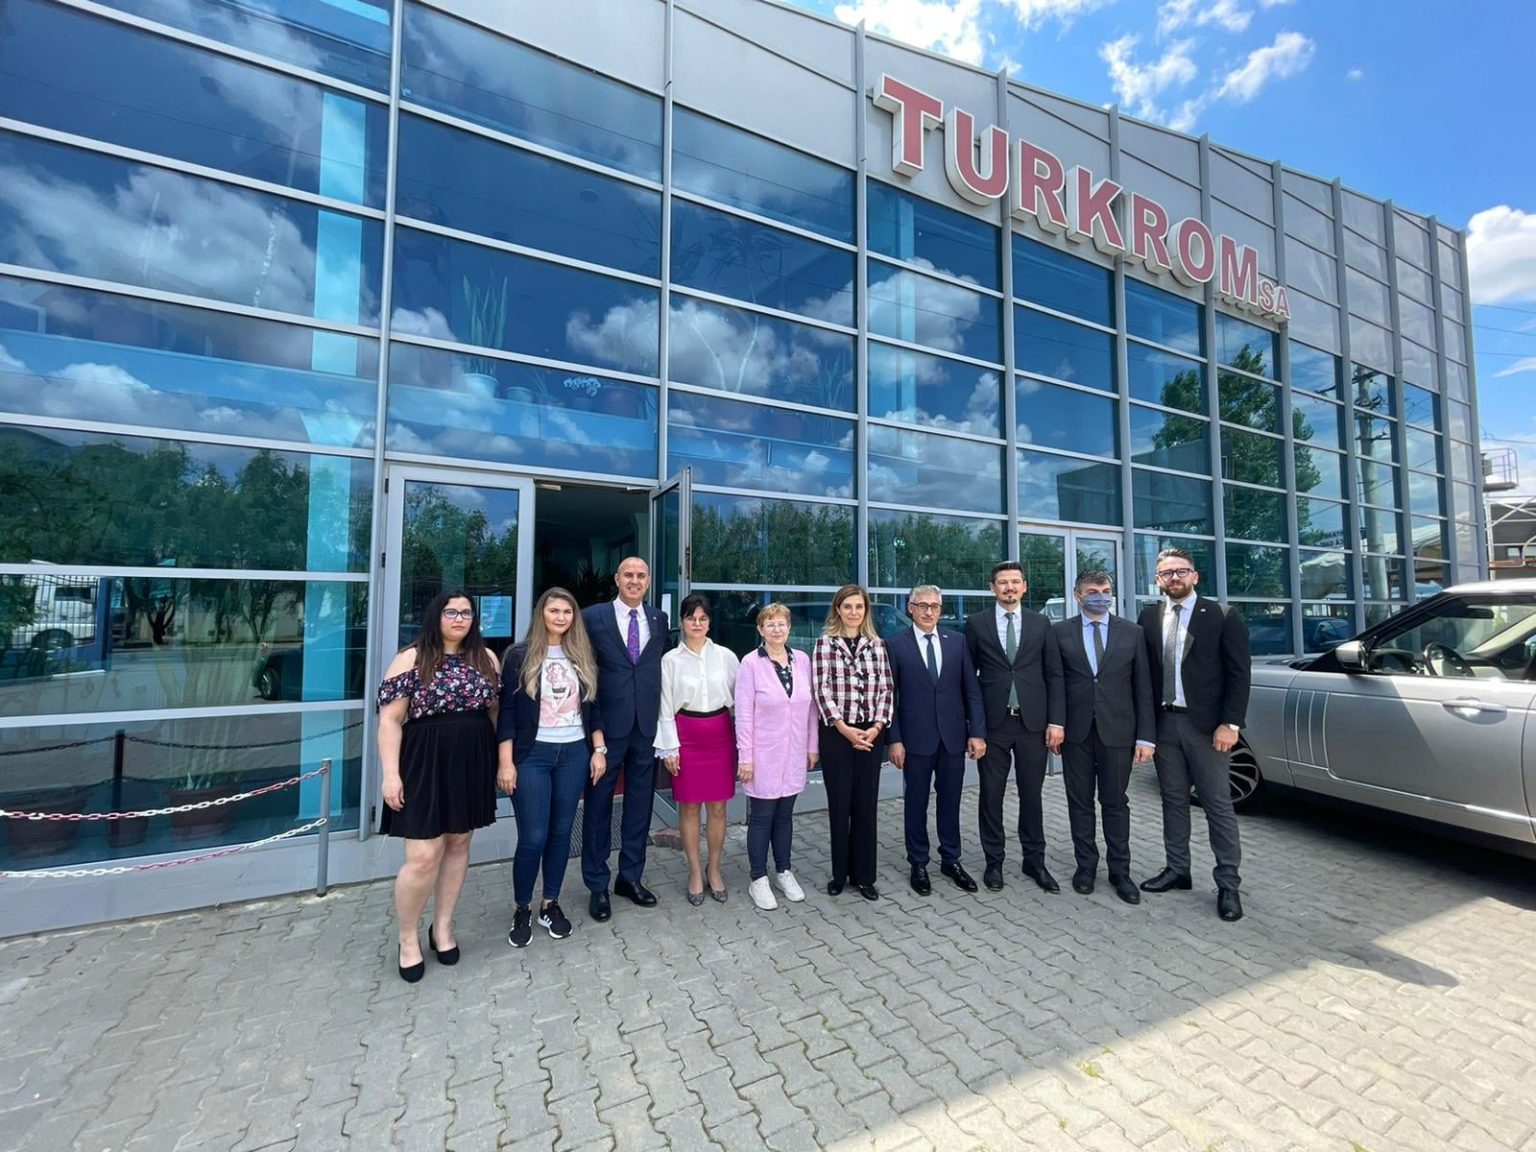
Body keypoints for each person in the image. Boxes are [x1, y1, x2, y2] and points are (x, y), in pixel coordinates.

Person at [376, 590, 500, 982]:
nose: (460, 618)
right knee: (424, 855)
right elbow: (390, 721)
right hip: (424, 762)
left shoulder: (486, 658)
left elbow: (495, 713)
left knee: (459, 843)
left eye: (466, 613)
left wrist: (500, 761)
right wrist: (391, 775)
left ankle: (442, 927)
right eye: (451, 612)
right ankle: (407, 937)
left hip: (471, 761)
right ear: (436, 616)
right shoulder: (411, 658)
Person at [1137, 548, 1251, 922]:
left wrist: (1230, 724)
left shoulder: (1222, 615)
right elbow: (1145, 675)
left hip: (1207, 728)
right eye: (1166, 573)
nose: (1174, 578)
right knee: (1172, 799)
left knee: (1217, 804)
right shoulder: (1149, 617)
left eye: (1181, 571)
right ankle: (1177, 869)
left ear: (1195, 576)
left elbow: (1239, 674)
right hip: (1165, 724)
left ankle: (1228, 884)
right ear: (1158, 580)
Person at [497, 588, 607, 947]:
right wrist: (506, 763)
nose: (560, 617)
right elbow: (507, 714)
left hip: (574, 753)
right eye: (553, 610)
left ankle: (550, 903)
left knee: (561, 833)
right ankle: (522, 907)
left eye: (567, 612)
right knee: (533, 836)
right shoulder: (519, 656)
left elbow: (594, 706)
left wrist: (598, 750)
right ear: (541, 614)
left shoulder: (582, 654)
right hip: (532, 755)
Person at [1051, 571, 1156, 906]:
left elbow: (1143, 687)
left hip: (1118, 732)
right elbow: (1056, 682)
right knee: (1080, 802)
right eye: (1093, 591)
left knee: (1115, 803)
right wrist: (1056, 724)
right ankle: (1086, 866)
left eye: (1106, 590)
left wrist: (1146, 737)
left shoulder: (1133, 632)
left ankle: (1120, 872)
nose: (1101, 596)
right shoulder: (1059, 632)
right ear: (1078, 595)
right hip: (1076, 733)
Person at [965, 561, 1066, 894]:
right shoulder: (977, 624)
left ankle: (1034, 861)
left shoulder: (1040, 623)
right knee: (991, 795)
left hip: (1032, 724)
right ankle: (994, 862)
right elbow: (969, 680)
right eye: (1002, 582)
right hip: (994, 725)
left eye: (1015, 582)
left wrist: (1056, 721)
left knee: (1031, 795)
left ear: (1024, 587)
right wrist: (974, 728)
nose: (1009, 587)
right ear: (992, 587)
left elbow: (1054, 674)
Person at [580, 557, 670, 922]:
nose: (635, 580)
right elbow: (585, 674)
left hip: (645, 726)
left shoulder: (659, 619)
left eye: (641, 575)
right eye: (628, 575)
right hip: (607, 727)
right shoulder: (592, 617)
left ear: (648, 581)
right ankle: (597, 884)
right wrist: (595, 730)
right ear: (617, 579)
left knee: (639, 805)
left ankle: (630, 877)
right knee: (598, 806)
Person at [885, 584, 986, 897]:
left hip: (953, 738)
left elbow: (971, 690)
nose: (929, 611)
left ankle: (951, 860)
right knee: (916, 802)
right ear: (911, 608)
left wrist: (977, 732)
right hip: (915, 739)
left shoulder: (957, 642)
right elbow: (889, 697)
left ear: (941, 610)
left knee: (950, 801)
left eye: (935, 606)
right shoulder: (895, 644)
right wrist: (894, 739)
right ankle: (918, 862)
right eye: (922, 605)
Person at [655, 593, 741, 905]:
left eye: (703, 618)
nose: (697, 623)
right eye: (691, 618)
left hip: (720, 736)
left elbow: (741, 702)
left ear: (709, 622)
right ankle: (694, 871)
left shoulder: (726, 657)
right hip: (686, 738)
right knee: (690, 807)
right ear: (682, 621)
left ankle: (714, 869)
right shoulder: (670, 661)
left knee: (718, 808)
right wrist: (670, 748)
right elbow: (665, 707)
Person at [811, 583, 893, 900]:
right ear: (838, 610)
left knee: (865, 805)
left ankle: (865, 876)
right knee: (840, 805)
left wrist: (876, 727)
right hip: (837, 733)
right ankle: (839, 874)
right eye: (848, 606)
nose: (854, 612)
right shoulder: (825, 644)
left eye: (859, 607)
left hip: (871, 734)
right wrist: (844, 729)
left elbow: (886, 689)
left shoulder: (878, 645)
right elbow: (821, 690)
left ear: (865, 610)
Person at [735, 603, 819, 910]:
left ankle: (784, 871)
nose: (776, 629)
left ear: (789, 627)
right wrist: (745, 757)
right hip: (763, 755)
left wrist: (812, 746)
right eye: (770, 624)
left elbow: (811, 708)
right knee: (762, 816)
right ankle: (758, 878)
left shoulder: (802, 661)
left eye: (781, 623)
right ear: (760, 629)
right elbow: (743, 714)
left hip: (794, 752)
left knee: (785, 815)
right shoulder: (750, 663)